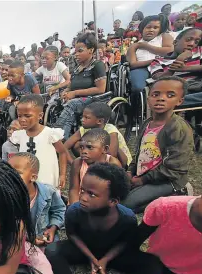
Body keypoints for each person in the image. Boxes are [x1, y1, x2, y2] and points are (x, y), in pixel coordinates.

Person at [46, 163, 163, 274]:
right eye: (83, 190)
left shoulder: (127, 218)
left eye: (91, 194)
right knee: (52, 251)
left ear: (113, 201)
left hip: (114, 255)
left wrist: (106, 260)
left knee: (153, 264)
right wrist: (92, 259)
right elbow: (73, 235)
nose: (83, 197)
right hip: (84, 250)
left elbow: (126, 243)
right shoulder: (74, 211)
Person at [123, 76, 193, 213]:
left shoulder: (178, 128)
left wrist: (143, 180)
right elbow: (140, 154)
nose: (161, 98)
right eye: (156, 94)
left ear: (180, 101)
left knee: (126, 205)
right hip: (144, 175)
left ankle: (178, 193)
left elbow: (175, 168)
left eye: (170, 95)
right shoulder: (147, 123)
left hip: (167, 180)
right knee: (112, 195)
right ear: (148, 99)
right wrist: (130, 172)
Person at [54, 33, 107, 139]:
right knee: (57, 103)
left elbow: (101, 89)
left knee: (72, 104)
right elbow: (72, 85)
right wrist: (66, 91)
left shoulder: (97, 65)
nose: (76, 54)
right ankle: (63, 138)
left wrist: (75, 93)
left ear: (91, 50)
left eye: (80, 51)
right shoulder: (77, 68)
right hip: (76, 99)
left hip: (93, 100)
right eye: (75, 51)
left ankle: (58, 135)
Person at [8, 153, 66, 247]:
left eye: (17, 173)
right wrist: (28, 238)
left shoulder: (48, 192)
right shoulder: (7, 197)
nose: (10, 176)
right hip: (19, 240)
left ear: (33, 177)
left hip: (44, 237)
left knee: (53, 253)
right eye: (7, 171)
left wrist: (53, 228)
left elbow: (59, 211)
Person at [10, 95, 67, 189]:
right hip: (27, 179)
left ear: (40, 116)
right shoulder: (19, 135)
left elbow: (62, 152)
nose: (22, 119)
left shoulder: (50, 134)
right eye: (19, 116)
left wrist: (62, 174)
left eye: (27, 116)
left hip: (47, 178)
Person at [127, 15, 173, 116]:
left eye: (155, 27)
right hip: (141, 68)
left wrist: (146, 46)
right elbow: (133, 64)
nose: (151, 30)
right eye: (148, 27)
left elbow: (169, 51)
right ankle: (135, 114)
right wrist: (153, 60)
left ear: (160, 29)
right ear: (142, 28)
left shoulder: (164, 37)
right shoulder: (134, 45)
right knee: (138, 87)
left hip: (162, 66)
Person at [64, 102, 132, 168]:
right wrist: (73, 163)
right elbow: (65, 147)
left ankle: (95, 167)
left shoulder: (111, 130)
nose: (82, 120)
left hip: (118, 161)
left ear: (99, 121)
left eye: (86, 118)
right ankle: (89, 165)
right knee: (77, 145)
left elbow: (111, 155)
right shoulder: (83, 129)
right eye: (82, 116)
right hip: (98, 156)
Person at [68, 129, 122, 204]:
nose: (84, 151)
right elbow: (74, 189)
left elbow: (116, 193)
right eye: (81, 147)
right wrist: (75, 208)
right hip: (82, 203)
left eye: (89, 147)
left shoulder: (113, 164)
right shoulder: (78, 163)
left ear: (105, 149)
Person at [146, 27, 202, 92]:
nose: (192, 44)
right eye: (188, 39)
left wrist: (185, 68)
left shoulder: (199, 51)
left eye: (196, 42)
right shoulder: (158, 61)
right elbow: (158, 80)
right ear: (175, 42)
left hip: (198, 85)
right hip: (176, 90)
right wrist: (178, 61)